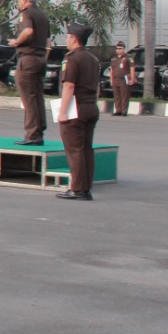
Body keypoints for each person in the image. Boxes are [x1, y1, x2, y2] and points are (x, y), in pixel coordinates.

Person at [54, 23, 101, 201]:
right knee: (86, 149)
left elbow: (69, 86)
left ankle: (78, 188)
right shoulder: (92, 58)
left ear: (73, 38)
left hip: (76, 108)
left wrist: (63, 112)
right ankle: (85, 187)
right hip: (90, 106)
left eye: (67, 36)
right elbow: (97, 87)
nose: (66, 39)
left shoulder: (72, 59)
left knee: (75, 150)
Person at [10, 0, 51, 145]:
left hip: (28, 58)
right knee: (37, 96)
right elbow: (48, 42)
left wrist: (16, 41)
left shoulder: (26, 14)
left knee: (29, 98)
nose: (18, 2)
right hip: (40, 58)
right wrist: (43, 58)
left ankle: (32, 134)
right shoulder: (42, 15)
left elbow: (27, 32)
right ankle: (39, 130)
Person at [109, 42, 136, 116]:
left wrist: (132, 79)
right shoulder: (114, 58)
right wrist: (111, 79)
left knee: (124, 95)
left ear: (124, 49)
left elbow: (132, 69)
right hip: (115, 79)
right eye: (117, 48)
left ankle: (124, 111)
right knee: (117, 96)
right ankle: (118, 110)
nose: (118, 50)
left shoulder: (128, 57)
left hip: (124, 79)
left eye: (120, 48)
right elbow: (111, 70)